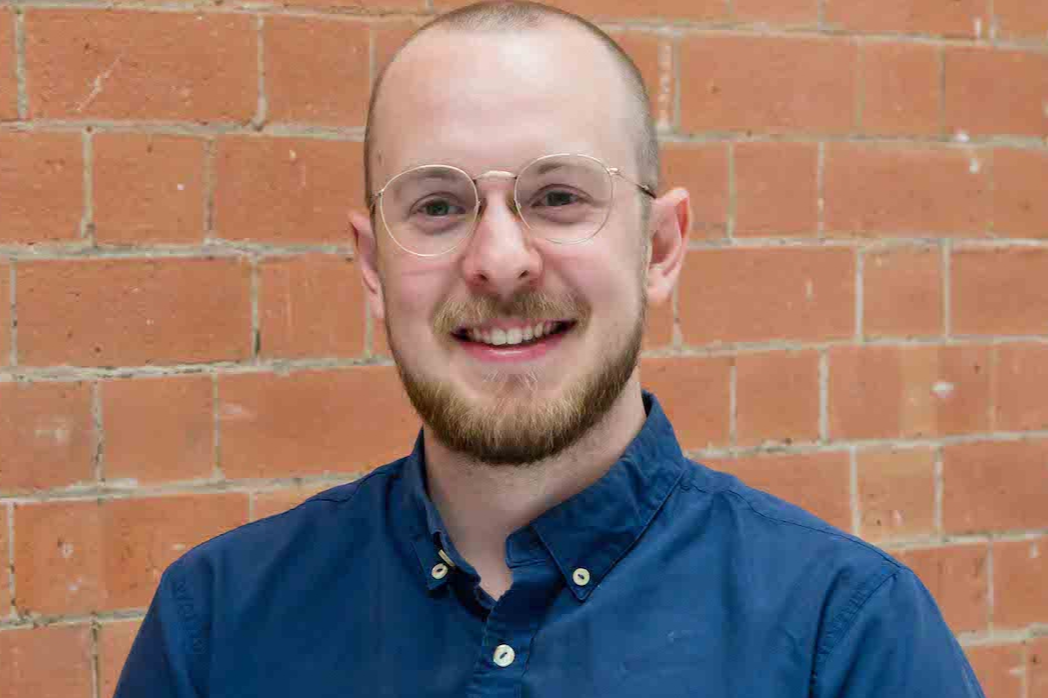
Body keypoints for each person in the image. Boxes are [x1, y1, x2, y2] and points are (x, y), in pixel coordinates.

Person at [114, 2, 986, 696]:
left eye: (560, 196)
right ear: (374, 266)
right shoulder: (219, 625)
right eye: (438, 206)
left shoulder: (844, 638)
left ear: (659, 248)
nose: (500, 260)